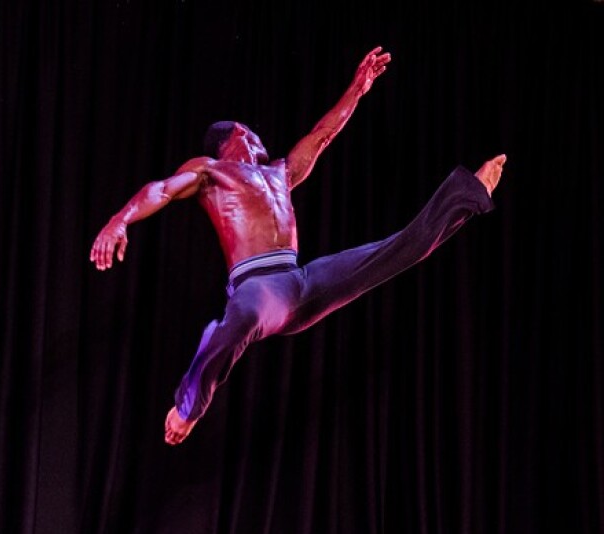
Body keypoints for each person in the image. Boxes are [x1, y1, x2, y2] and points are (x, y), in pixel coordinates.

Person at [90, 46, 506, 445]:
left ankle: (466, 195)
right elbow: (161, 190)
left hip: (301, 281)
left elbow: (323, 134)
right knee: (239, 320)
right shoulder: (211, 171)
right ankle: (188, 407)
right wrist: (119, 220)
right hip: (260, 288)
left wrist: (356, 90)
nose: (260, 138)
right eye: (251, 133)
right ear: (235, 136)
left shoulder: (280, 173)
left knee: (392, 252)